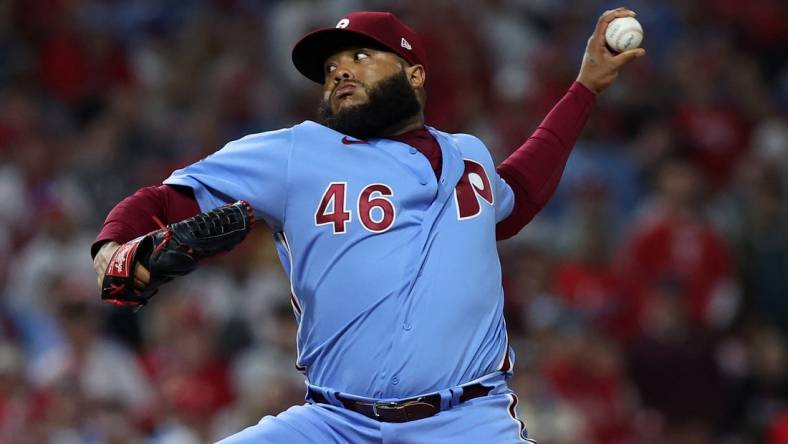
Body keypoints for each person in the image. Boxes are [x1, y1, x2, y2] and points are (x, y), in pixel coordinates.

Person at [92, 9, 644, 443]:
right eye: (330, 69)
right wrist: (111, 249)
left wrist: (584, 89)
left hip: (466, 422)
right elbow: (165, 200)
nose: (341, 72)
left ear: (415, 73)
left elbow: (516, 197)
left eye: (360, 56)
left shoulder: (467, 155)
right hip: (334, 424)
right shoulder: (295, 153)